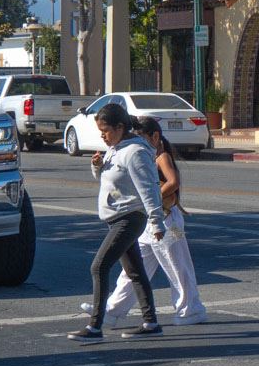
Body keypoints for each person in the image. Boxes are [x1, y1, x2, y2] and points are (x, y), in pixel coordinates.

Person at [82, 116, 208, 326]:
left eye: (140, 137)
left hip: (168, 221)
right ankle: (113, 310)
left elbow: (173, 182)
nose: (136, 141)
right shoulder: (137, 154)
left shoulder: (160, 156)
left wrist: (152, 197)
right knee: (132, 272)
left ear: (154, 136)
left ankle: (191, 309)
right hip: (148, 221)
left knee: (178, 267)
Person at [68, 103, 165, 344]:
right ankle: (151, 322)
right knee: (135, 271)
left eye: (106, 130)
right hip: (118, 219)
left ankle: (94, 326)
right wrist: (97, 167)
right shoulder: (116, 148)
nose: (102, 135)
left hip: (130, 218)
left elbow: (150, 188)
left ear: (121, 127)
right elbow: (109, 182)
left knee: (98, 267)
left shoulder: (135, 152)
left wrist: (157, 222)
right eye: (100, 131)